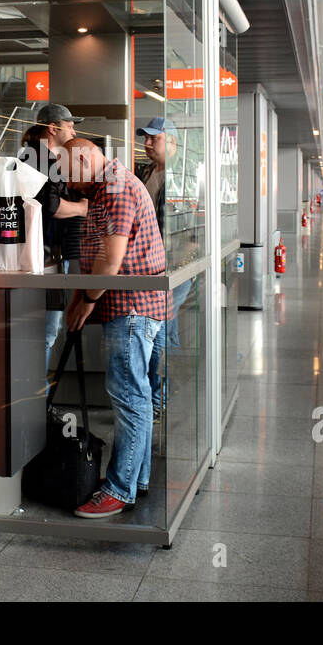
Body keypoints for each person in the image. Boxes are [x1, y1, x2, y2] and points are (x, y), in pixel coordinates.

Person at [61, 138, 167, 519]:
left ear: (88, 158)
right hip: (134, 307)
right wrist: (80, 296)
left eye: (72, 174)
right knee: (136, 395)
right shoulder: (108, 184)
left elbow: (110, 261)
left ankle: (118, 489)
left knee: (129, 398)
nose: (71, 185)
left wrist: (87, 299)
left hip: (132, 308)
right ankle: (135, 481)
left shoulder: (115, 189)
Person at [17, 104, 88, 374]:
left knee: (45, 332)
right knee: (45, 332)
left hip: (43, 255)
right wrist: (82, 208)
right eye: (70, 124)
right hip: (45, 258)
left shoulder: (35, 156)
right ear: (53, 128)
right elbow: (52, 206)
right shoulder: (40, 159)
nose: (74, 129)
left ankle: (39, 402)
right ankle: (38, 404)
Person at [135, 116, 189, 423]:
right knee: (158, 332)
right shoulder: (144, 171)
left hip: (171, 270)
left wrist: (174, 272)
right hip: (148, 267)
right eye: (146, 138)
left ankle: (159, 398)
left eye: (153, 138)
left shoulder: (183, 176)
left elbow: (192, 232)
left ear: (172, 143)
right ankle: (157, 394)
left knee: (163, 334)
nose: (147, 143)